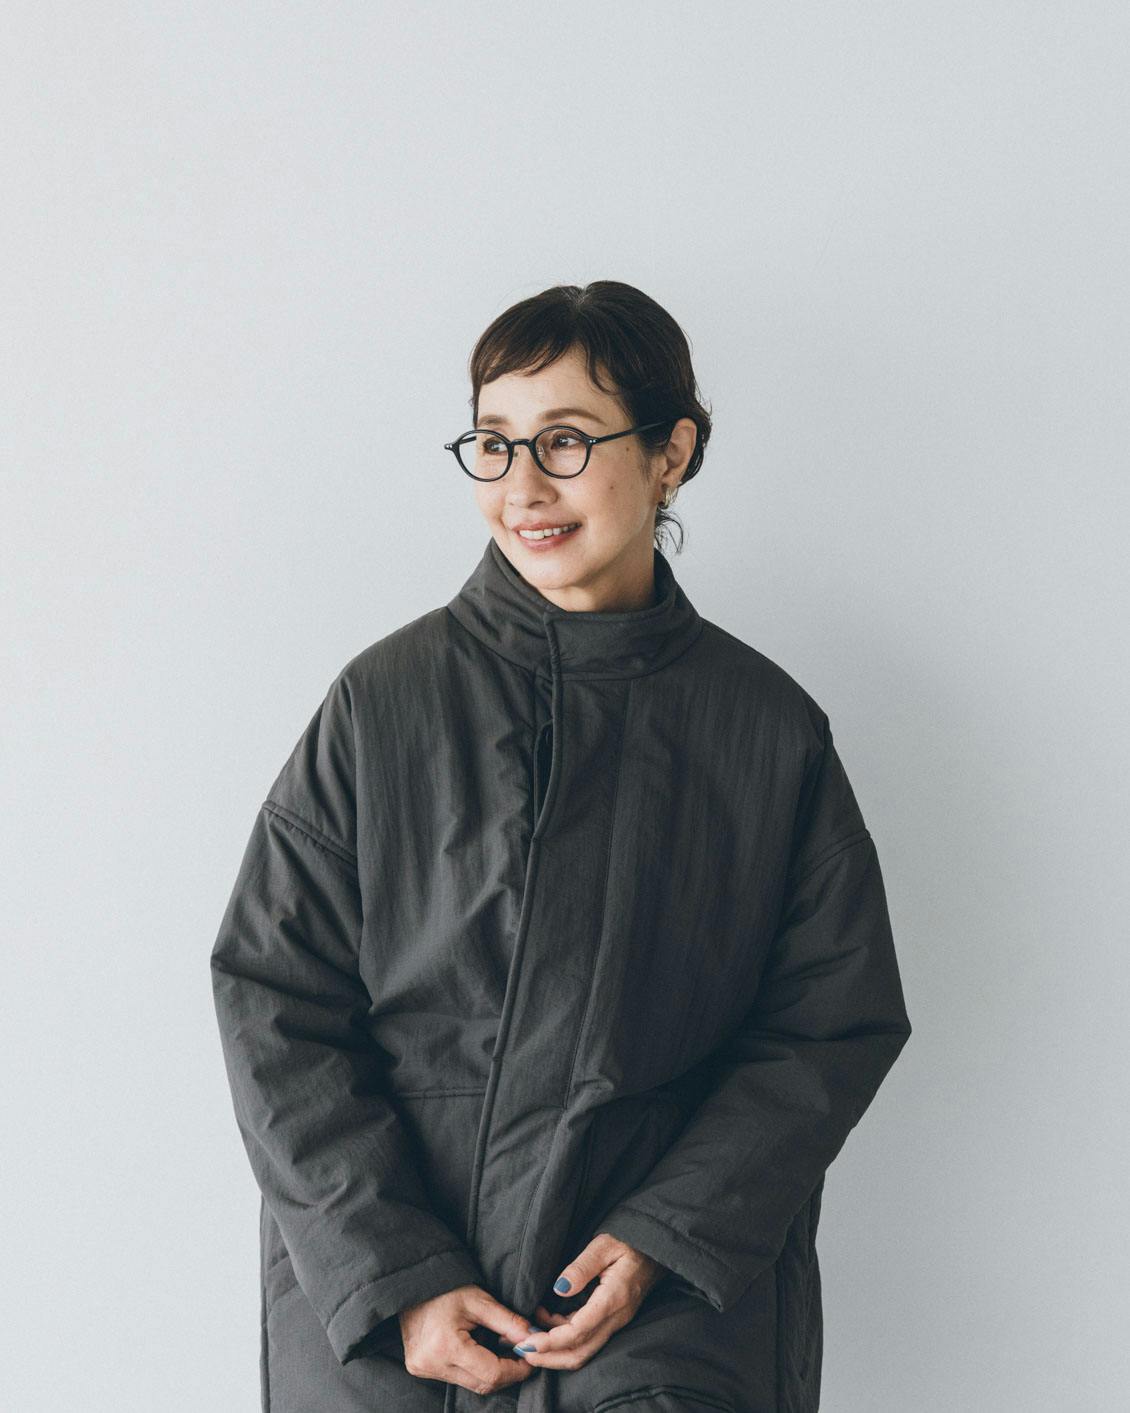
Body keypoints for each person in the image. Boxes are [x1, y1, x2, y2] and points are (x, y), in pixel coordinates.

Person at [210, 280, 912, 1413]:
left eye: (567, 442)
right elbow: (274, 996)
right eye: (493, 444)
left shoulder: (764, 730)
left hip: (659, 1302)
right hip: (385, 1301)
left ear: (672, 452)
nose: (522, 487)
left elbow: (829, 1021)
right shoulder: (384, 704)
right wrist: (396, 1273)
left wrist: (666, 1234)